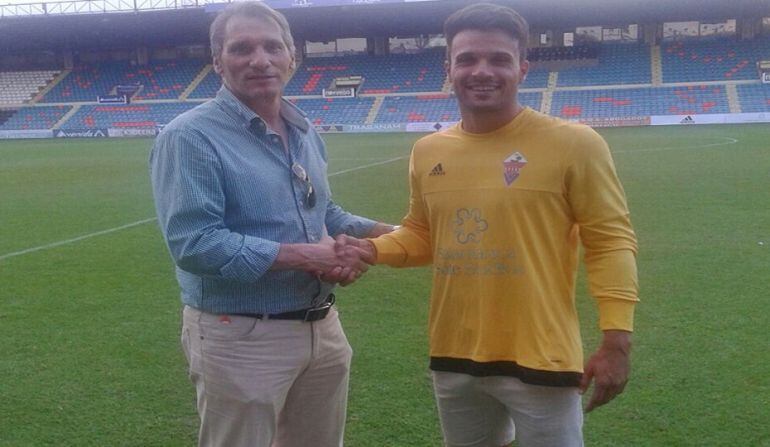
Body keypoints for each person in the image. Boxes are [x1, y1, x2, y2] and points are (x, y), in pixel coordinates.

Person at [338, 3, 639, 446]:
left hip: (542, 360)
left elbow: (610, 241)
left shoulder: (575, 144)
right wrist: (372, 248)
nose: (482, 71)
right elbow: (422, 234)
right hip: (454, 356)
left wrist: (617, 341)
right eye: (467, 59)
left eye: (498, 59)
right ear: (449, 69)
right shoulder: (427, 150)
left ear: (522, 68)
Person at [149, 2, 393, 446]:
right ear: (218, 62)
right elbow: (195, 243)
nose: (259, 59)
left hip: (322, 328)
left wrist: (390, 234)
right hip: (241, 335)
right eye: (241, 48)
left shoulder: (304, 130)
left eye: (271, 46)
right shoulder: (190, 136)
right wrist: (310, 256)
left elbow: (324, 212)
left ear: (291, 57)